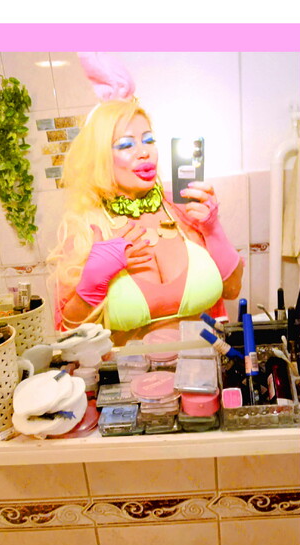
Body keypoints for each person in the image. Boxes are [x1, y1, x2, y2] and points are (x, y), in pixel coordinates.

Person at [47, 53, 243, 346]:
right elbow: (69, 333)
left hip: (206, 368)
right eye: (126, 145)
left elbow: (232, 289)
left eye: (149, 140)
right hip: (130, 373)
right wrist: (91, 285)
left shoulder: (182, 208)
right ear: (101, 158)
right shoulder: (90, 229)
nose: (144, 152)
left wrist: (213, 229)